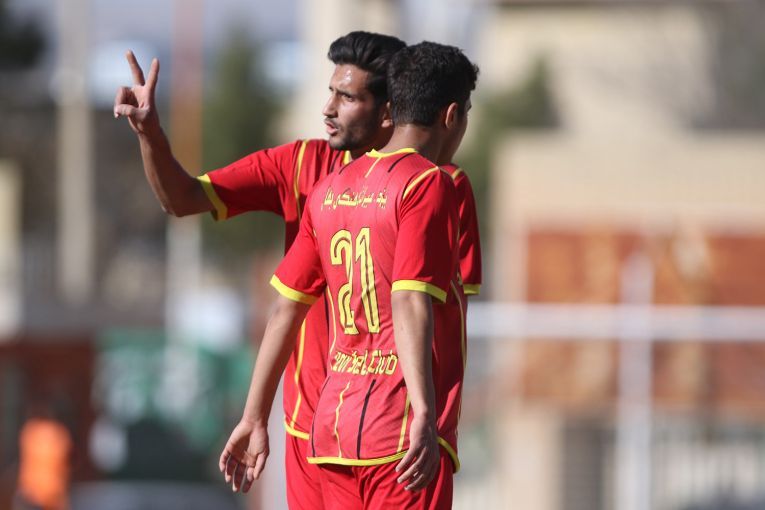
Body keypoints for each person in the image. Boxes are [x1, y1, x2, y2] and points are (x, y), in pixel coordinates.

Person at [114, 31, 405, 509]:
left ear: (388, 111)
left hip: (386, 434)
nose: (328, 108)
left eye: (348, 97)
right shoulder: (300, 165)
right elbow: (182, 198)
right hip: (309, 428)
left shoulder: (424, 188)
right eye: (330, 92)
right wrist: (150, 134)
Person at [219, 41, 479, 509]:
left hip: (333, 431)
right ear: (452, 115)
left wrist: (254, 415)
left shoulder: (329, 190)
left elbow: (285, 309)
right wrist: (424, 411)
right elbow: (409, 298)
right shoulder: (429, 183)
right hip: (402, 437)